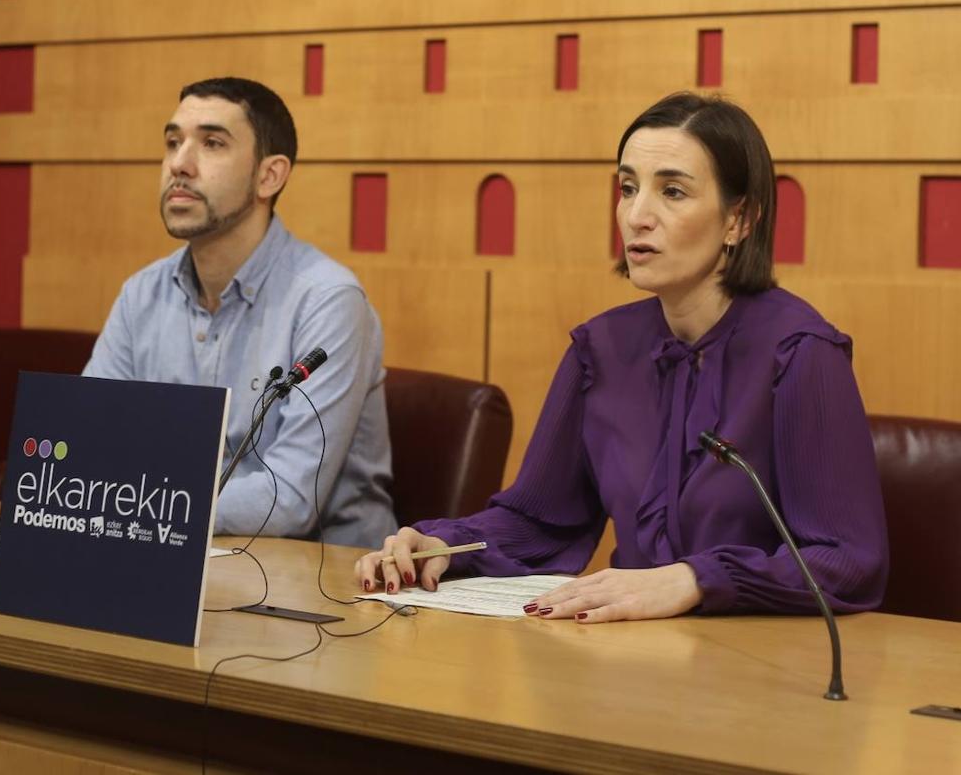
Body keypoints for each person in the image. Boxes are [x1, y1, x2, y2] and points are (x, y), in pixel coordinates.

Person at [356, 93, 888, 621]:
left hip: (760, 668)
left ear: (739, 219)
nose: (637, 216)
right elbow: (542, 522)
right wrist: (444, 544)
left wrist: (696, 580)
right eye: (628, 188)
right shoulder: (600, 351)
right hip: (631, 653)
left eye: (672, 192)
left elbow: (847, 561)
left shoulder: (800, 353)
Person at [85, 77, 396, 548]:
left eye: (211, 143)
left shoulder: (327, 300)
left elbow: (290, 498)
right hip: (172, 552)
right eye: (173, 142)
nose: (179, 165)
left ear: (269, 176)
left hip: (321, 586)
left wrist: (140, 507)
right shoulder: (141, 295)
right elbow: (86, 447)